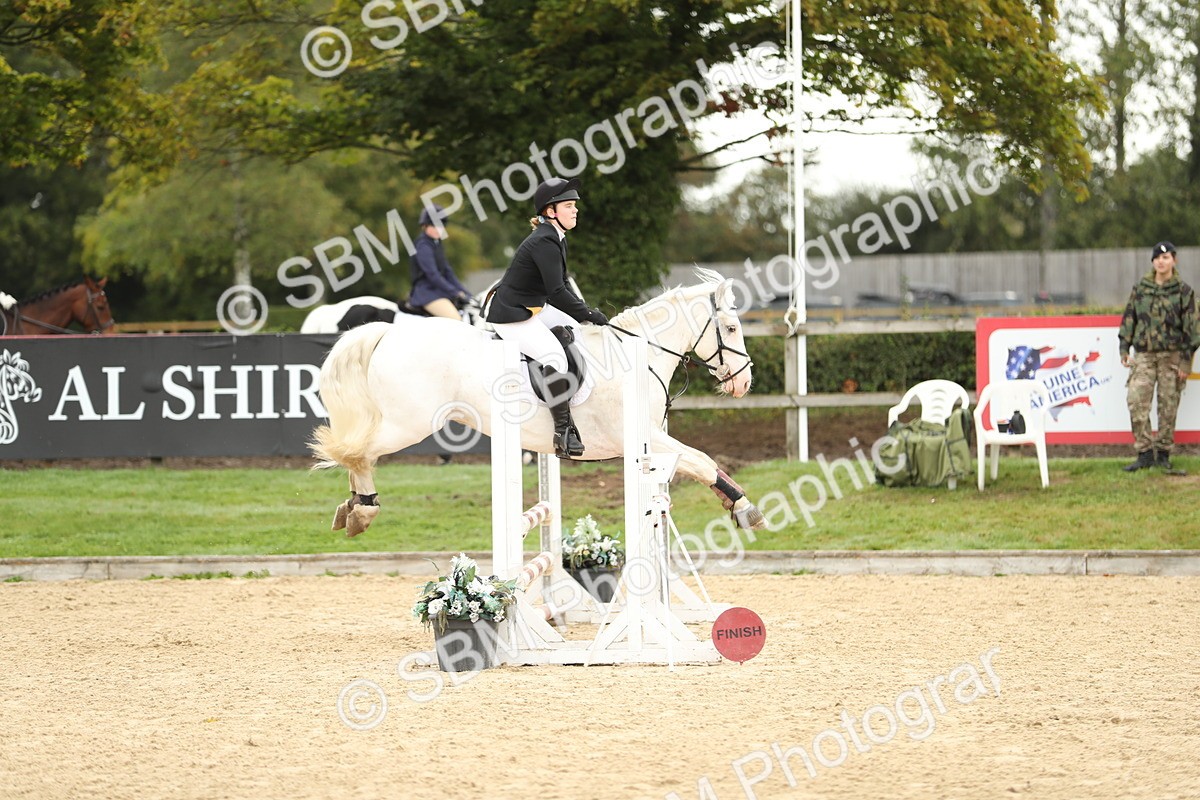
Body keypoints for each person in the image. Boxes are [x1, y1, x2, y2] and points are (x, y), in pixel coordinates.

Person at [485, 177, 609, 458]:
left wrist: (583, 315)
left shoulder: (555, 237)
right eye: (568, 205)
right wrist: (589, 312)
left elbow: (561, 287)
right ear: (550, 211)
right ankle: (562, 431)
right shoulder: (544, 241)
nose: (575, 210)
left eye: (575, 205)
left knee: (575, 330)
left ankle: (573, 400)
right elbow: (556, 292)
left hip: (533, 305)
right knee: (554, 356)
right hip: (512, 314)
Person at [1119, 241, 1200, 473]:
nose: (1161, 262)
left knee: (1168, 406)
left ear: (1174, 260)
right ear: (1153, 262)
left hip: (1171, 357)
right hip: (1144, 355)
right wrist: (1124, 347)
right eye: (1157, 258)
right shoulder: (1141, 289)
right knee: (1136, 400)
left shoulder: (1184, 292)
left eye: (1166, 258)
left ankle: (1163, 454)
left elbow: (1192, 330)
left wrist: (1186, 361)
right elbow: (1129, 319)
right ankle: (1144, 453)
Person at [408, 204, 471, 320]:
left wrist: (465, 292)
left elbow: (447, 271)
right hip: (427, 293)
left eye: (441, 225)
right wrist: (455, 292)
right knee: (456, 319)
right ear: (425, 226)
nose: (439, 229)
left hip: (438, 291)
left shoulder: (436, 243)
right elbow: (432, 274)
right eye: (434, 226)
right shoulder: (423, 245)